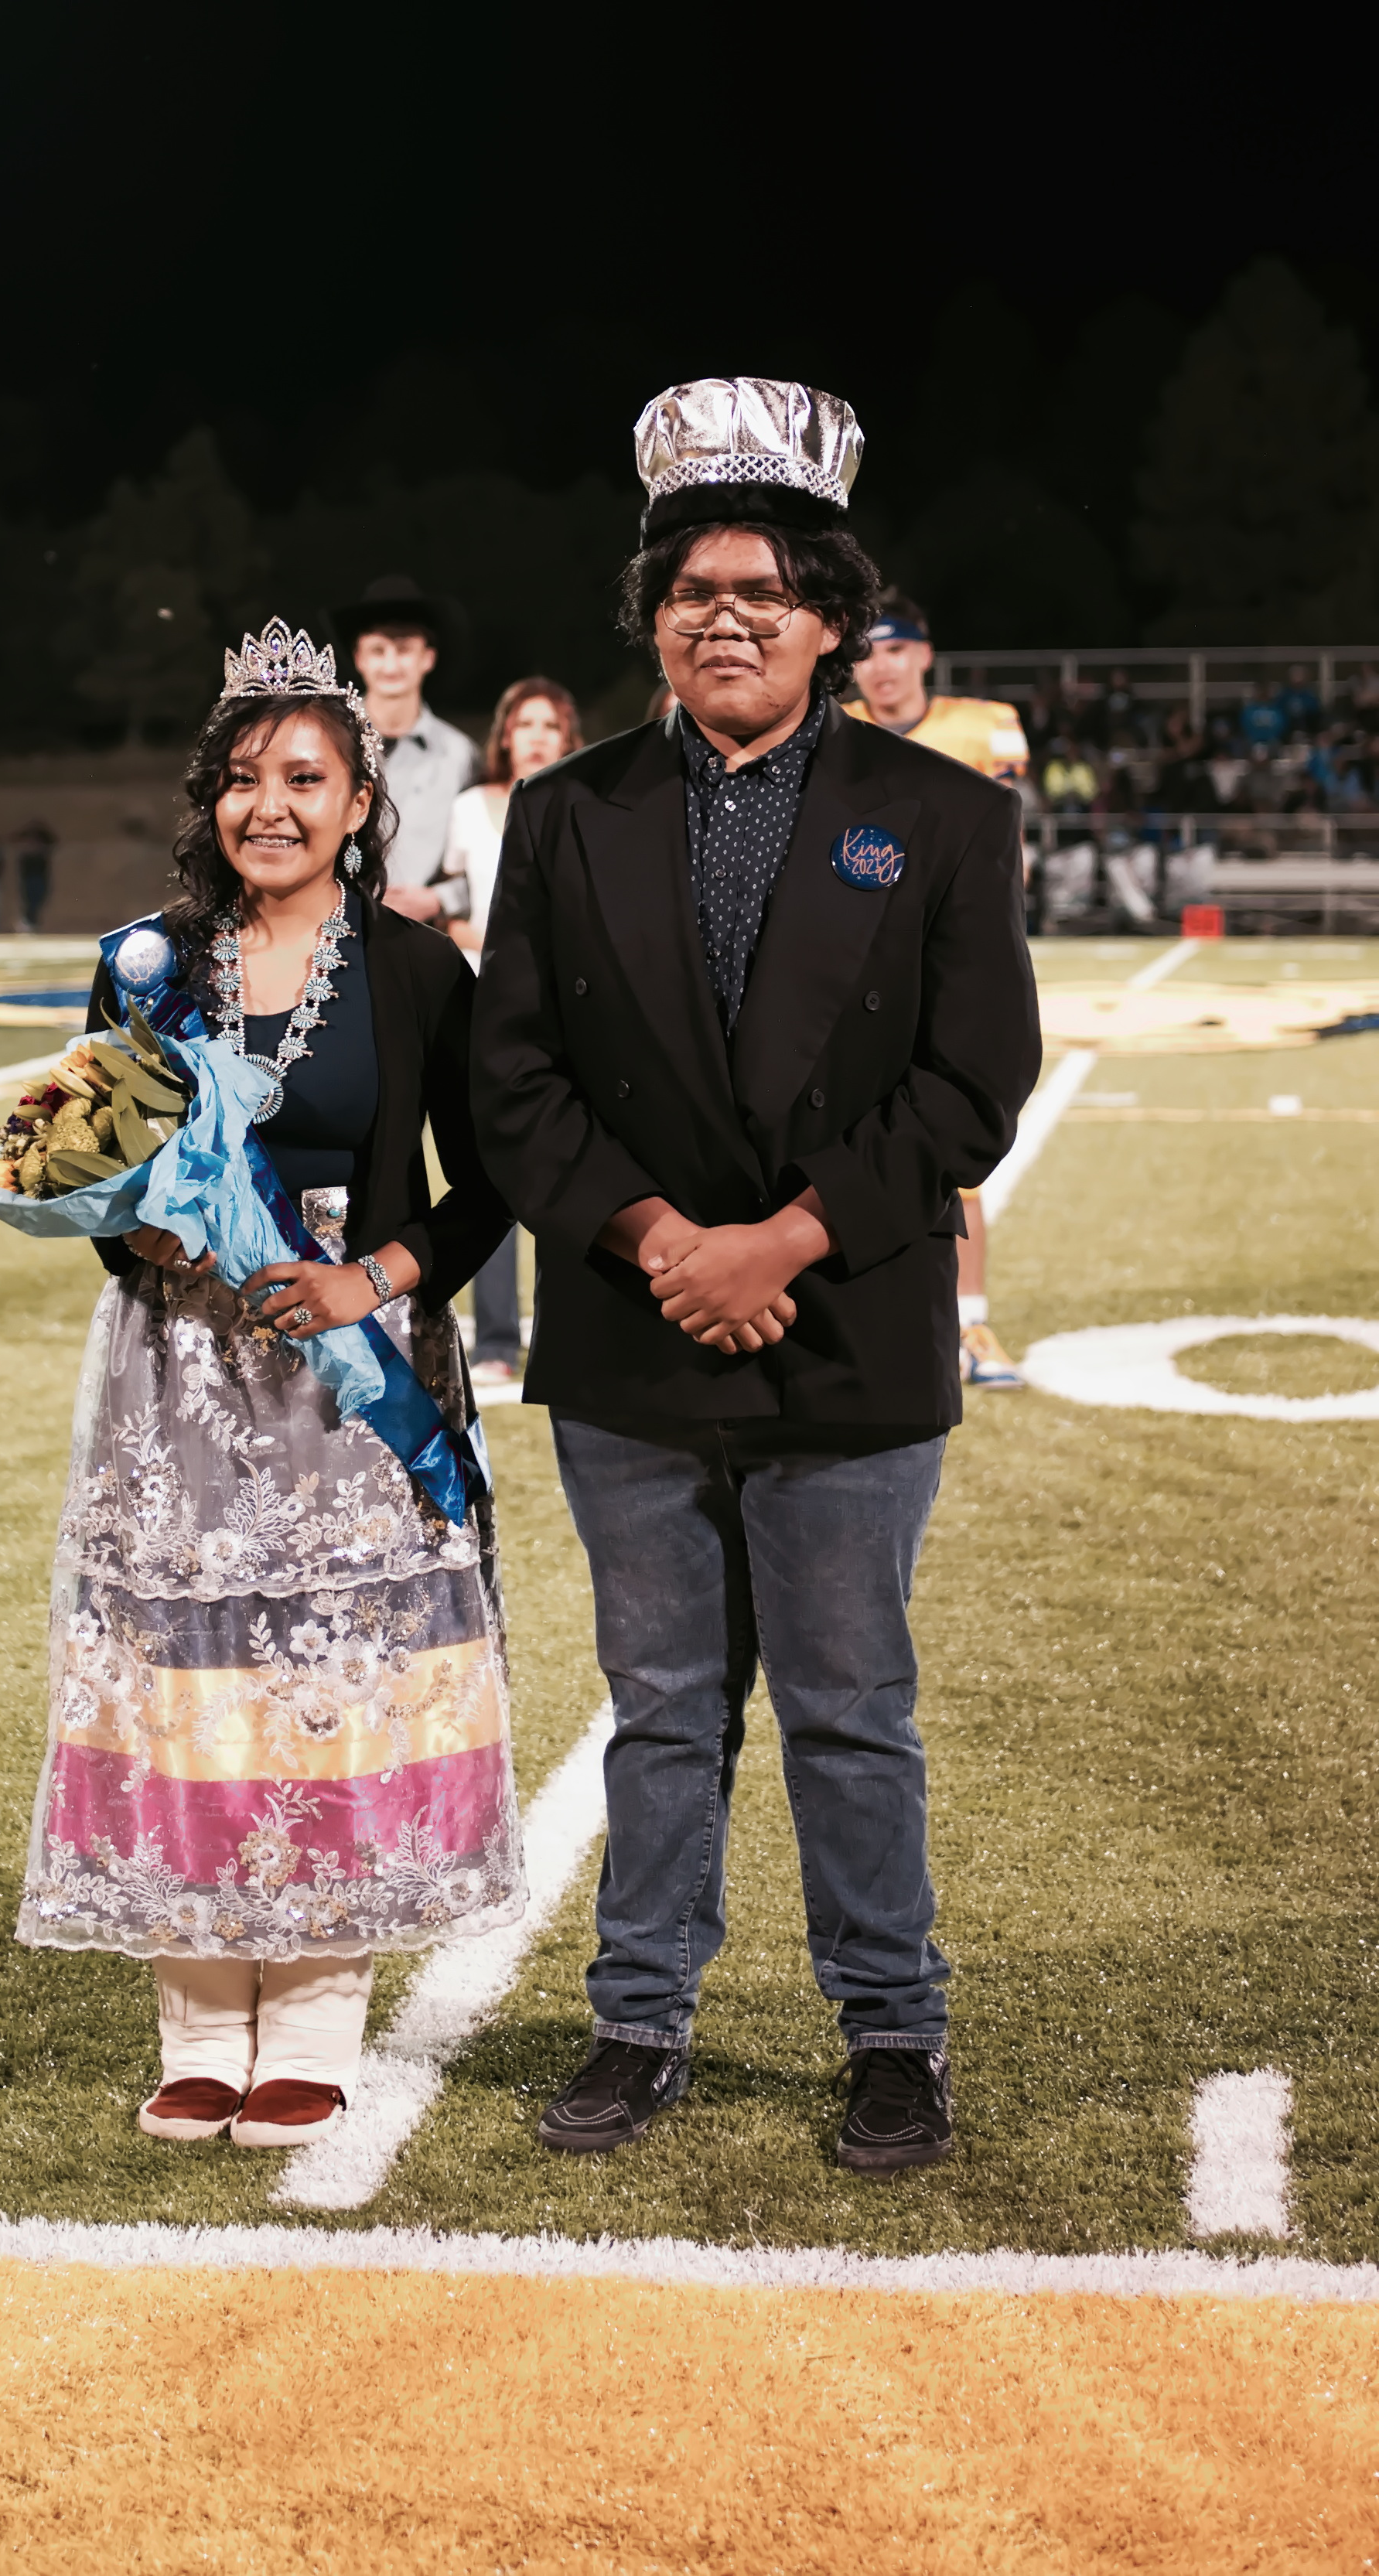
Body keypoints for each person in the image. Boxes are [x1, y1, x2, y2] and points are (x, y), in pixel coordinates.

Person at [473, 374, 1040, 2174]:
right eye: (692, 589)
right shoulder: (564, 812)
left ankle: (892, 2033)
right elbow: (512, 1078)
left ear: (830, 620)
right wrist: (663, 1243)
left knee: (849, 1713)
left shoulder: (942, 813)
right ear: (652, 614)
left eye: (766, 592)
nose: (726, 617)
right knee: (658, 1711)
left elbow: (975, 1080)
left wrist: (783, 1240)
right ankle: (639, 2017)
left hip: (843, 1327)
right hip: (634, 1333)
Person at [17, 619, 523, 2152]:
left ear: (360, 801)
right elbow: (88, 1173)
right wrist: (138, 1231)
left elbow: (495, 1178)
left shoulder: (419, 969)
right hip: (179, 1379)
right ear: (211, 798)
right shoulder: (146, 965)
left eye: (305, 778)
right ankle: (196, 2027)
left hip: (350, 1388)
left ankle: (308, 2025)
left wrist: (376, 1278)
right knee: (189, 1686)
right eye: (244, 779)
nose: (272, 807)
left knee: (332, 1686)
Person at [847, 590, 1033, 1391]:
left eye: (894, 648)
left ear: (923, 653)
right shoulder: (834, 733)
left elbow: (1010, 850)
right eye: (865, 651)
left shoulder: (985, 726)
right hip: (857, 963)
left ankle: (971, 1323)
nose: (880, 667)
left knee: (957, 1141)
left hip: (950, 961)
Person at [447, 676, 584, 1380]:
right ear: (504, 734)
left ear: (568, 735)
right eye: (523, 723)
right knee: (492, 1166)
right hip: (485, 1000)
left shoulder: (586, 801)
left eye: (548, 724)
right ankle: (497, 1340)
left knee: (566, 1163)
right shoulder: (470, 807)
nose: (535, 736)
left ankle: (568, 1327)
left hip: (568, 1005)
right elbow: (452, 902)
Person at [333, 575, 477, 923]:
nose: (391, 665)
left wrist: (439, 899)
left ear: (428, 658)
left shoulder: (461, 756)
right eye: (378, 651)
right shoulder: (327, 741)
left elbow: (488, 855)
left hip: (421, 933)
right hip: (331, 926)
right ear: (359, 658)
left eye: (404, 650)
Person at [13, 820, 56, 932]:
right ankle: (28, 922)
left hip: (40, 876)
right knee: (29, 900)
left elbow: (53, 841)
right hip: (28, 877)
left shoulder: (44, 840)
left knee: (39, 899)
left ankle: (31, 922)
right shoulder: (24, 844)